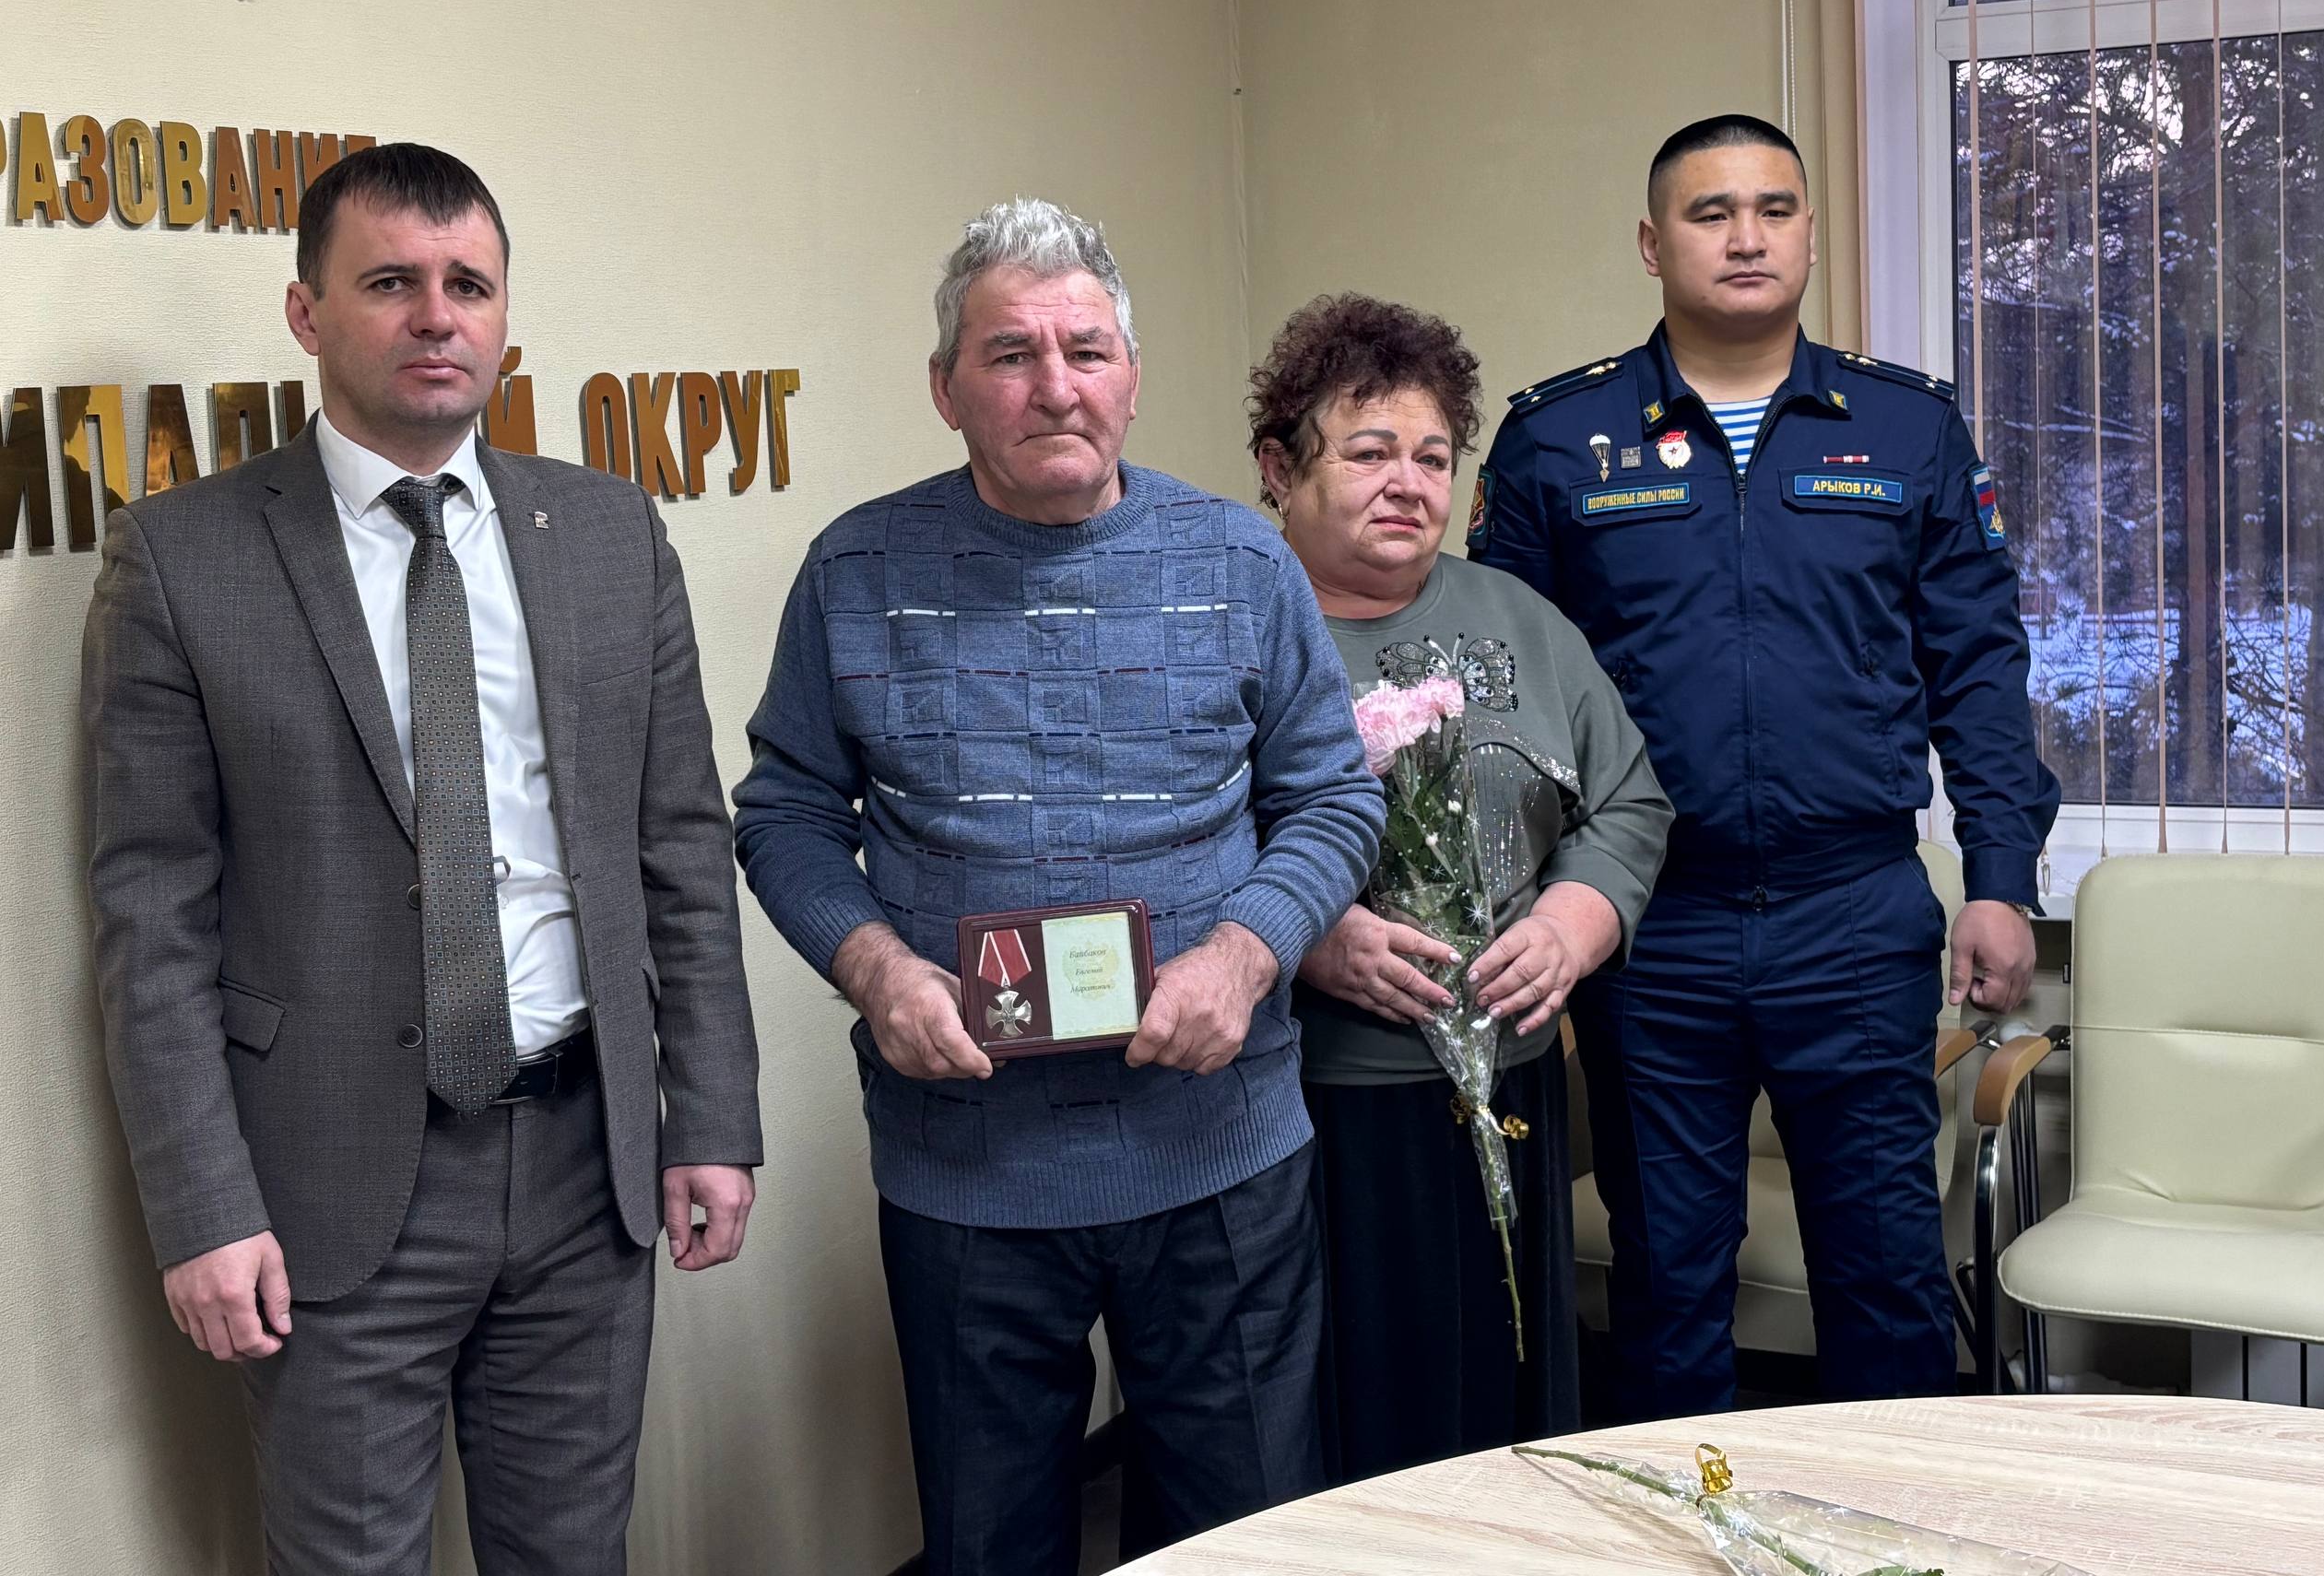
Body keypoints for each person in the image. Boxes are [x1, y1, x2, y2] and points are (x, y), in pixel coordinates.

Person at [84, 144, 763, 1573]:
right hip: (325, 1191)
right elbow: (152, 918)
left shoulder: (607, 534)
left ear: (505, 313)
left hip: (586, 1165)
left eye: (470, 285)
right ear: (307, 312)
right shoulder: (184, 559)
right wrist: (203, 1208)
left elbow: (681, 850)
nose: (437, 316)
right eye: (391, 282)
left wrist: (709, 1115)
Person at [733, 199, 1385, 1574]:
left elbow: (1335, 798)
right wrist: (874, 970)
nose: (1055, 386)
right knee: (989, 1542)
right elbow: (784, 814)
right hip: (966, 1170)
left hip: (1218, 1150)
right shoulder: (855, 571)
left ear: (1132, 376)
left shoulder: (1243, 560)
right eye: (1011, 354)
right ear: (945, 388)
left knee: (1245, 1538)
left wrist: (1247, 956)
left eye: (1086, 350)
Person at [1469, 113, 2060, 1420]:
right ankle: (1691, 1522)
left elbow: (1978, 664)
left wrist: (2001, 877)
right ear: (1652, 243)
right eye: (1710, 212)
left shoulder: (1906, 427)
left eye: (1775, 209)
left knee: (1887, 1277)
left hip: (1853, 912)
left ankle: (1890, 1524)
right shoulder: (1558, 440)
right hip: (1649, 924)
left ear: (1809, 233)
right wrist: (1522, 903)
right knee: (1668, 1282)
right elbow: (1499, 696)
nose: (1747, 236)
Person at [1248, 292, 1671, 1481]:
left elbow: (1630, 801)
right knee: (1358, 1420)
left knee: (1507, 1402)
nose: (1408, 484)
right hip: (1317, 1106)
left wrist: (1575, 921)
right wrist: (1309, 935)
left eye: (1433, 458)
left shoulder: (1518, 618)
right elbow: (1175, 843)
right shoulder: (1238, 629)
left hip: (1513, 1091)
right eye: (1369, 452)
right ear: (1279, 468)